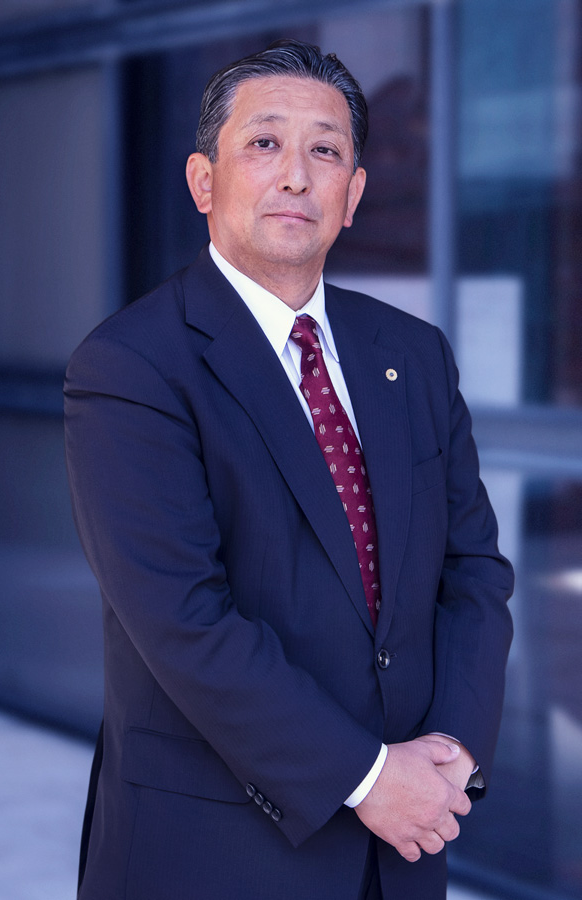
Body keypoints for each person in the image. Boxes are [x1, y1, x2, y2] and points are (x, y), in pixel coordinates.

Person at [64, 39, 514, 900]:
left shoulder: (413, 353)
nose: (297, 177)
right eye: (264, 143)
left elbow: (473, 570)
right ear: (204, 181)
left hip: (403, 848)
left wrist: (451, 750)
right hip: (215, 852)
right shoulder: (131, 365)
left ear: (354, 195)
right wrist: (369, 778)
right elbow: (185, 619)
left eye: (326, 151)